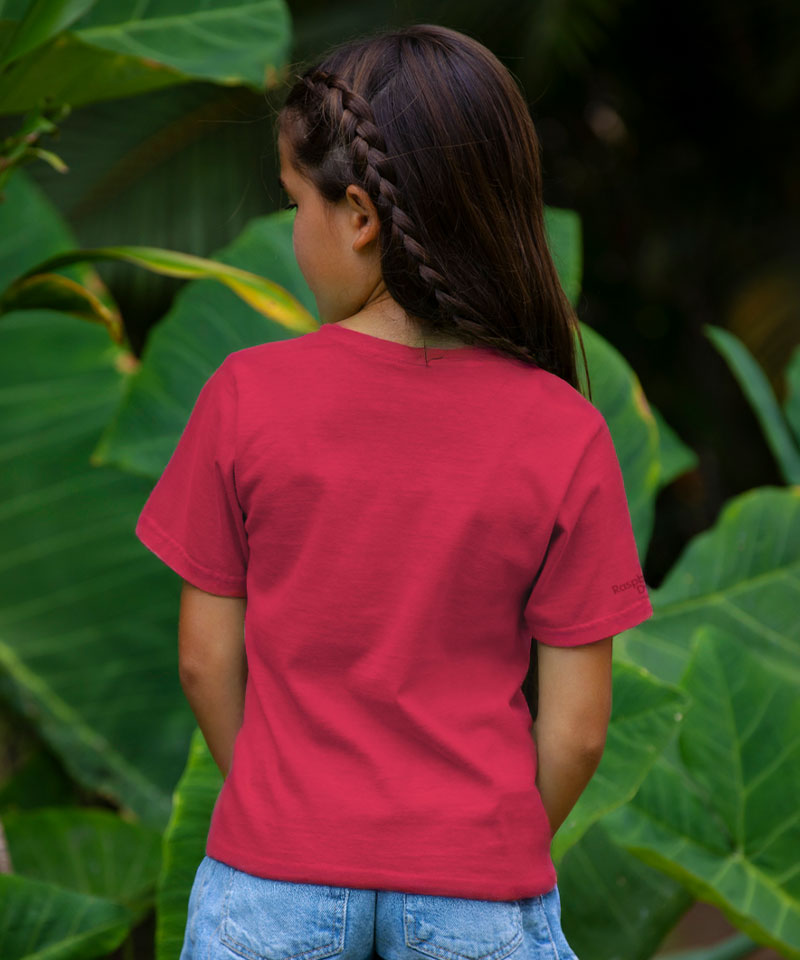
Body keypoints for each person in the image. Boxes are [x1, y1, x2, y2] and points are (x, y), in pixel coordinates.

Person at [135, 22, 654, 960]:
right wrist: (474, 842)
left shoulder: (245, 396)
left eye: (297, 205)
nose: (294, 233)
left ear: (361, 214)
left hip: (273, 879)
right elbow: (576, 733)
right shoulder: (565, 429)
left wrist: (289, 814)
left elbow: (205, 664)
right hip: (475, 892)